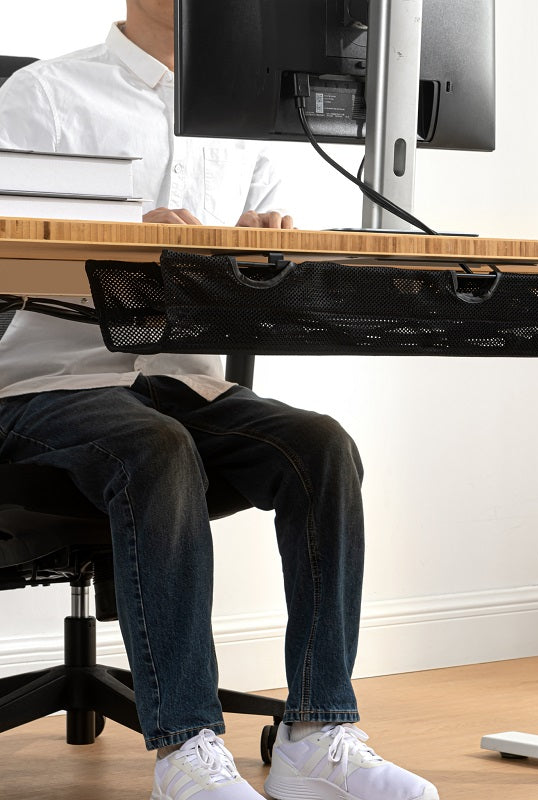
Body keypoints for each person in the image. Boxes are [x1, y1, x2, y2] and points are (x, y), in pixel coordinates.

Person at [0, 3, 439, 800]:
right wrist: (128, 239)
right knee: (155, 446)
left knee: (320, 447)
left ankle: (317, 732)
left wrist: (259, 244)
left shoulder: (246, 118)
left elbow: (261, 267)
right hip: (49, 384)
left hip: (185, 382)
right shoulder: (45, 95)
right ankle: (187, 751)